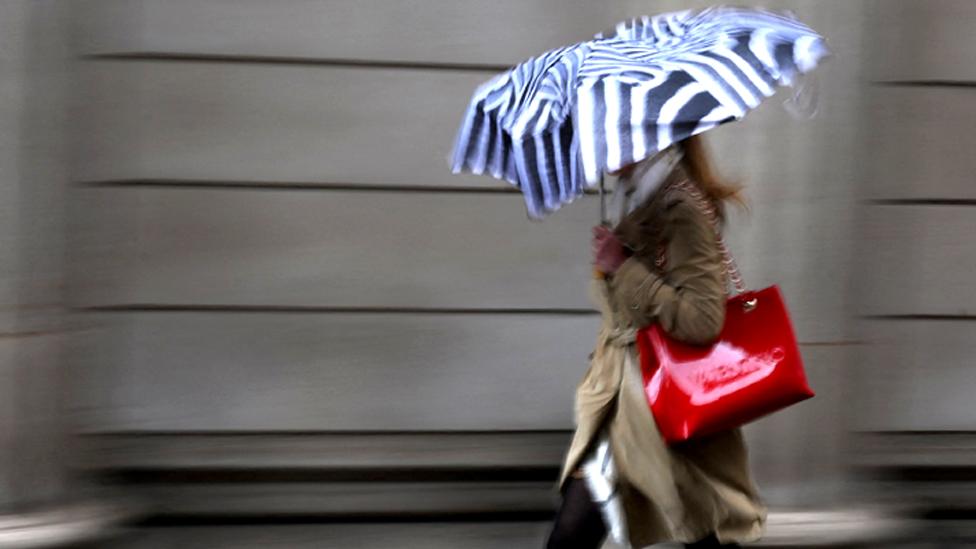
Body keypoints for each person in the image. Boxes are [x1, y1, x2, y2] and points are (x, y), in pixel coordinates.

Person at [545, 135, 766, 549]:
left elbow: (702, 320)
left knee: (691, 525)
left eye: (605, 135)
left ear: (640, 135)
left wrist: (623, 266)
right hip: (622, 396)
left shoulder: (679, 206)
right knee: (580, 530)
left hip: (656, 400)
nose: (595, 146)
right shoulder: (633, 199)